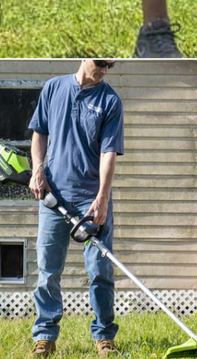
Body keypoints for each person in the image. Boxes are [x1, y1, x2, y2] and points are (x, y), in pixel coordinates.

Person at [28, 55, 125, 357]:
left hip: (90, 199)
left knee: (99, 270)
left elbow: (108, 153)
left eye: (111, 65)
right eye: (101, 62)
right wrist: (37, 169)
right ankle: (45, 336)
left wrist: (103, 199)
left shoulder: (110, 101)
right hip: (53, 196)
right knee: (48, 270)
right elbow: (39, 133)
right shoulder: (54, 88)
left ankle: (104, 336)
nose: (105, 70)